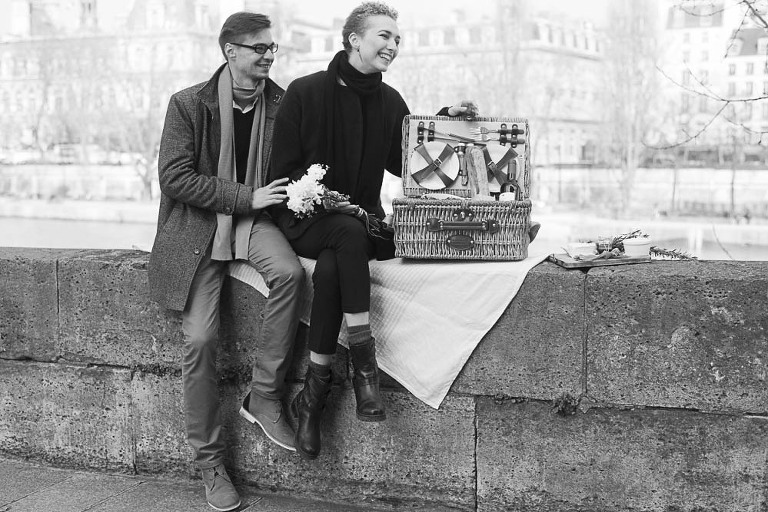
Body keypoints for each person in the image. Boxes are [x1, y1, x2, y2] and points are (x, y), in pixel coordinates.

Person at [269, 1, 478, 460]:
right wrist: (316, 198)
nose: (393, 45)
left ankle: (314, 395)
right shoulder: (303, 94)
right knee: (341, 235)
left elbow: (409, 164)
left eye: (398, 39)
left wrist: (445, 124)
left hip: (359, 224)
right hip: (303, 218)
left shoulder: (391, 102)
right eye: (384, 36)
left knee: (333, 264)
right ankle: (365, 367)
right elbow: (279, 175)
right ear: (354, 40)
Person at [148, 12, 304, 511]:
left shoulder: (283, 103)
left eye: (272, 48)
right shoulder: (188, 104)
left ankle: (264, 395)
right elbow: (175, 177)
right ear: (229, 51)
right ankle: (210, 465)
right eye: (258, 48)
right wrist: (245, 196)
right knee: (199, 340)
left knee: (290, 273)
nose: (268, 56)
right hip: (198, 229)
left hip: (254, 221)